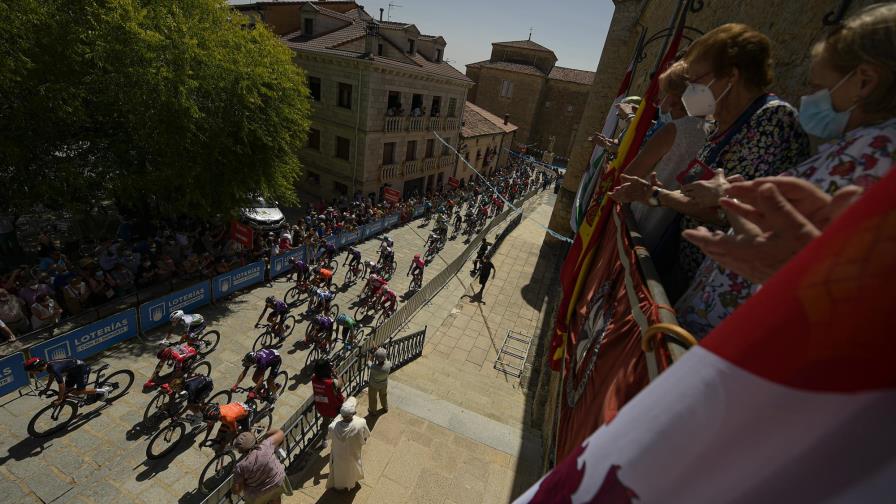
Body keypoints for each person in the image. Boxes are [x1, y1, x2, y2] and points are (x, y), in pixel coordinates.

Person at [674, 4, 896, 337]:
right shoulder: (860, 145)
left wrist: (723, 199)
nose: (808, 98)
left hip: (748, 346)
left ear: (864, 81)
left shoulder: (878, 152)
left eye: (819, 85)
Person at [609, 23, 810, 298]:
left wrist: (656, 195)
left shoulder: (772, 122)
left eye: (695, 81)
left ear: (731, 76)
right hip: (689, 271)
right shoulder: (719, 126)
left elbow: (738, 212)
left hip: (723, 287)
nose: (688, 90)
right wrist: (653, 195)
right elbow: (698, 197)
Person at [614, 61, 709, 251]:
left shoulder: (673, 130)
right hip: (666, 232)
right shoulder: (709, 132)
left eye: (664, 94)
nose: (660, 102)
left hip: (640, 221)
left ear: (675, 99)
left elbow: (628, 177)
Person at [232, 429, 292, 504]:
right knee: (275, 495)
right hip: (278, 481)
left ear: (240, 451)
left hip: (258, 494)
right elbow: (280, 432)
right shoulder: (265, 446)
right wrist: (264, 436)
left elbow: (236, 490)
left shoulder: (240, 467)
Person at [326, 397, 370, 491]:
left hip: (338, 455)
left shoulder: (333, 426)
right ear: (353, 413)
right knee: (352, 469)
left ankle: (340, 487)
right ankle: (351, 484)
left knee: (339, 471)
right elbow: (366, 436)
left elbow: (329, 437)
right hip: (353, 454)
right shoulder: (361, 422)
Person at [24, 357, 109, 405]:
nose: (31, 373)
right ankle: (82, 397)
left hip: (82, 369)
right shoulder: (48, 366)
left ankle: (103, 391)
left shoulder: (54, 368)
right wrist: (47, 388)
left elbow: (61, 385)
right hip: (73, 370)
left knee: (80, 391)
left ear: (37, 367)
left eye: (31, 371)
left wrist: (60, 399)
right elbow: (51, 376)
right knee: (69, 390)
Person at [311, 359, 344, 449]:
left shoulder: (314, 378)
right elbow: (341, 384)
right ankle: (339, 439)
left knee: (325, 424)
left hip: (322, 407)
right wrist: (335, 374)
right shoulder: (332, 382)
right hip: (335, 407)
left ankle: (324, 440)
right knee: (340, 423)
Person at [367, 348, 391, 415]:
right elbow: (385, 359)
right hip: (384, 383)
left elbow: (369, 361)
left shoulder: (374, 368)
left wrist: (371, 354)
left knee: (372, 398)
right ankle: (385, 407)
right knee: (383, 395)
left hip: (374, 385)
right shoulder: (388, 364)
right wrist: (379, 351)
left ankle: (373, 410)